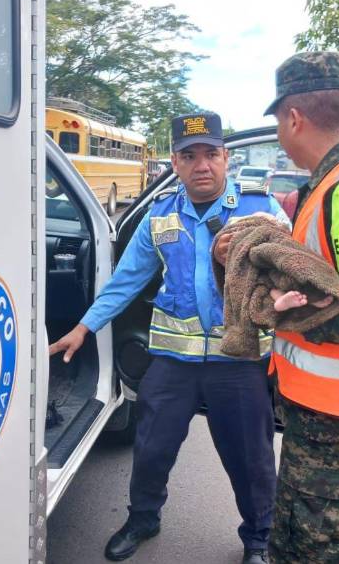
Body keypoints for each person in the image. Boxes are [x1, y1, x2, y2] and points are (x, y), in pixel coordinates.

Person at [49, 112, 290, 564]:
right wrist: (83, 328)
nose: (202, 165)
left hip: (236, 362)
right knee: (152, 450)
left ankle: (259, 538)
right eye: (189, 155)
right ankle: (143, 518)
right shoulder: (160, 216)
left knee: (252, 460)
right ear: (174, 164)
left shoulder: (261, 211)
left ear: (226, 159)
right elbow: (124, 282)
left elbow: (289, 271)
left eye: (211, 154)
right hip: (172, 363)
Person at [216, 52, 339, 563]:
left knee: (308, 543)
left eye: (278, 124)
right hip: (334, 408)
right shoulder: (333, 182)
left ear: (293, 118)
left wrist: (270, 310)